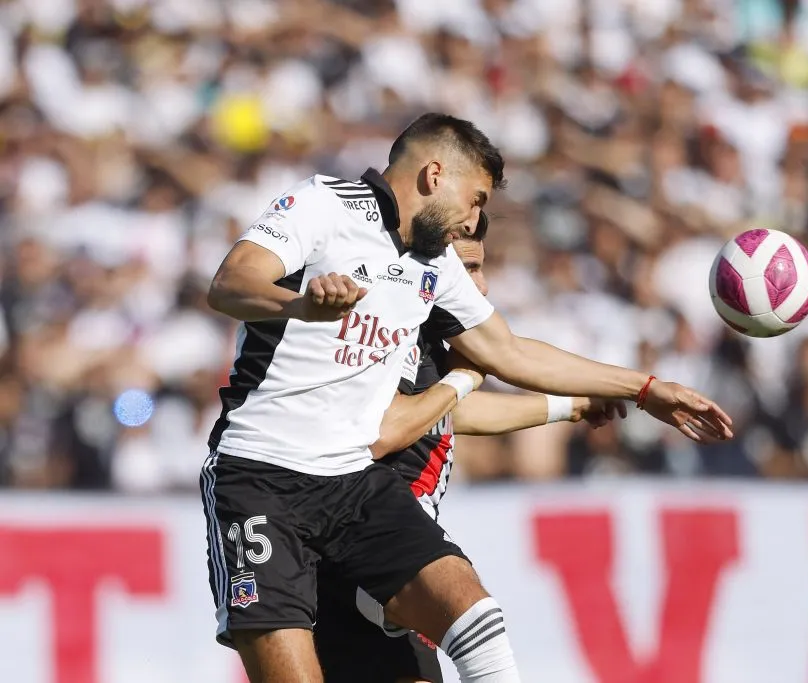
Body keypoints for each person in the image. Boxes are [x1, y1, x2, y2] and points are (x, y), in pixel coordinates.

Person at [203, 112, 733, 683]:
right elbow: (230, 282)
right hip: (260, 477)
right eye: (475, 199)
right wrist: (301, 304)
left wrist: (646, 388)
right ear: (435, 175)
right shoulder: (321, 204)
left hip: (353, 481)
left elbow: (510, 352)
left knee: (476, 616)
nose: (474, 219)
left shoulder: (433, 264)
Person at [314, 221, 624, 683]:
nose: (481, 284)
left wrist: (567, 406)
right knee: (481, 632)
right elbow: (386, 426)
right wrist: (465, 378)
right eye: (470, 269)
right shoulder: (391, 329)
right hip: (375, 542)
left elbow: (445, 414)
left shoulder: (426, 340)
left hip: (370, 556)